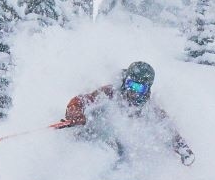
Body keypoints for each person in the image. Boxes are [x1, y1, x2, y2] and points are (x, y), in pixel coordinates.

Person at [62, 61, 195, 166]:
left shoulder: (150, 109)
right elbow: (81, 100)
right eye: (130, 84)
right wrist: (75, 113)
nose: (133, 91)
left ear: (147, 89)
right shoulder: (111, 92)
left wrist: (183, 149)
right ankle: (68, 169)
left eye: (139, 88)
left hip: (114, 146)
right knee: (98, 143)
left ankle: (98, 178)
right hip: (92, 130)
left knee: (120, 153)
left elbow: (167, 130)